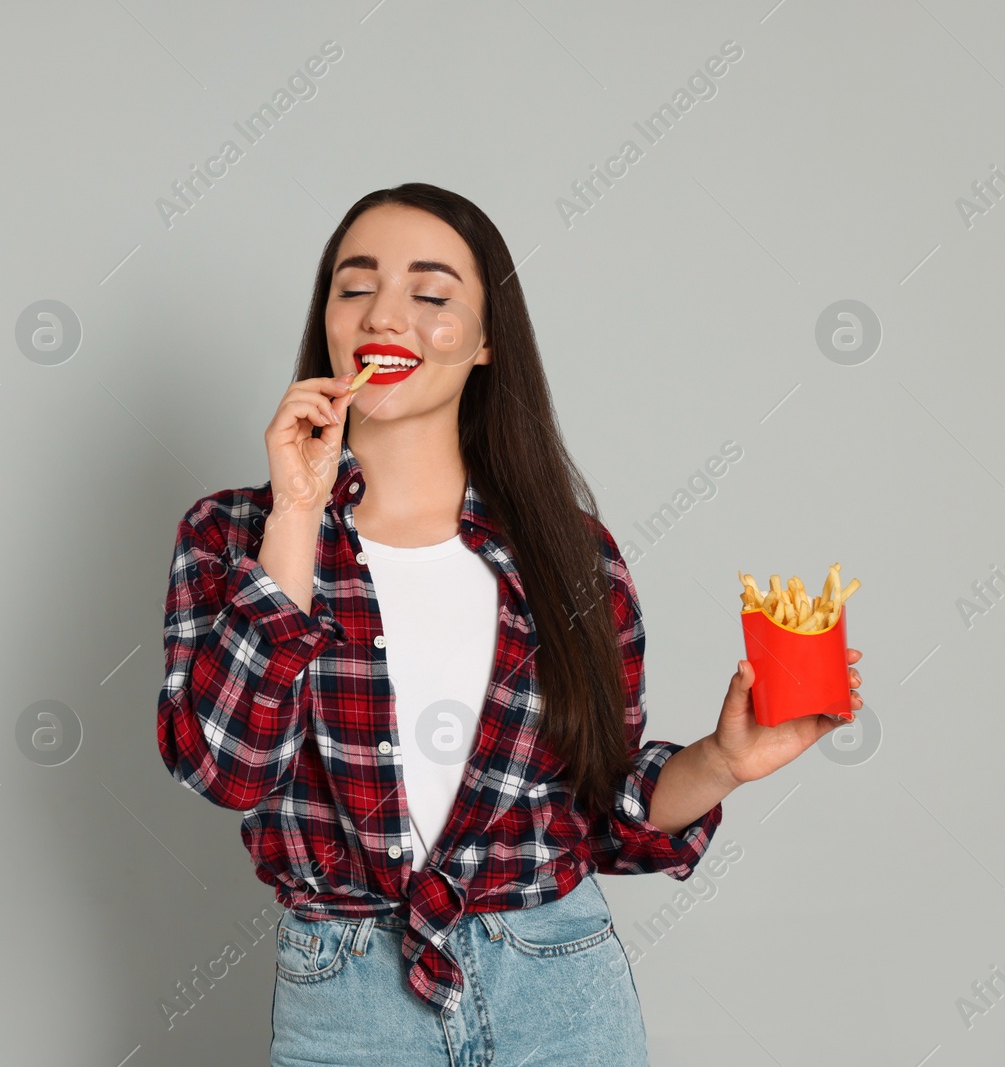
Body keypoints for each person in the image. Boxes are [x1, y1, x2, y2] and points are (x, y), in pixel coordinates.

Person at [155, 182, 863, 1065]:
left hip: (558, 985)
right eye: (356, 286)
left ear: (488, 339)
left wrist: (721, 761)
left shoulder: (571, 555)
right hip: (347, 1001)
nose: (387, 316)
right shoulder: (230, 537)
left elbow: (603, 814)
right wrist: (297, 509)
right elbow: (227, 770)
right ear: (327, 319)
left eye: (432, 294)